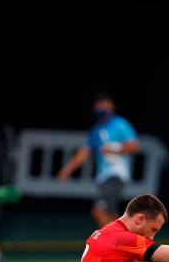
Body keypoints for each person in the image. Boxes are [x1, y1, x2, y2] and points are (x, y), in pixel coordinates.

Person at [58, 93, 139, 227]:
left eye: (105, 103)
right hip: (103, 176)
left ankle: (112, 246)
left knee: (99, 210)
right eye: (99, 104)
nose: (102, 107)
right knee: (113, 216)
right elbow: (84, 153)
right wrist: (67, 170)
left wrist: (114, 148)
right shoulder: (96, 130)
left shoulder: (120, 124)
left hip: (116, 174)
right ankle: (125, 244)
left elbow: (133, 146)